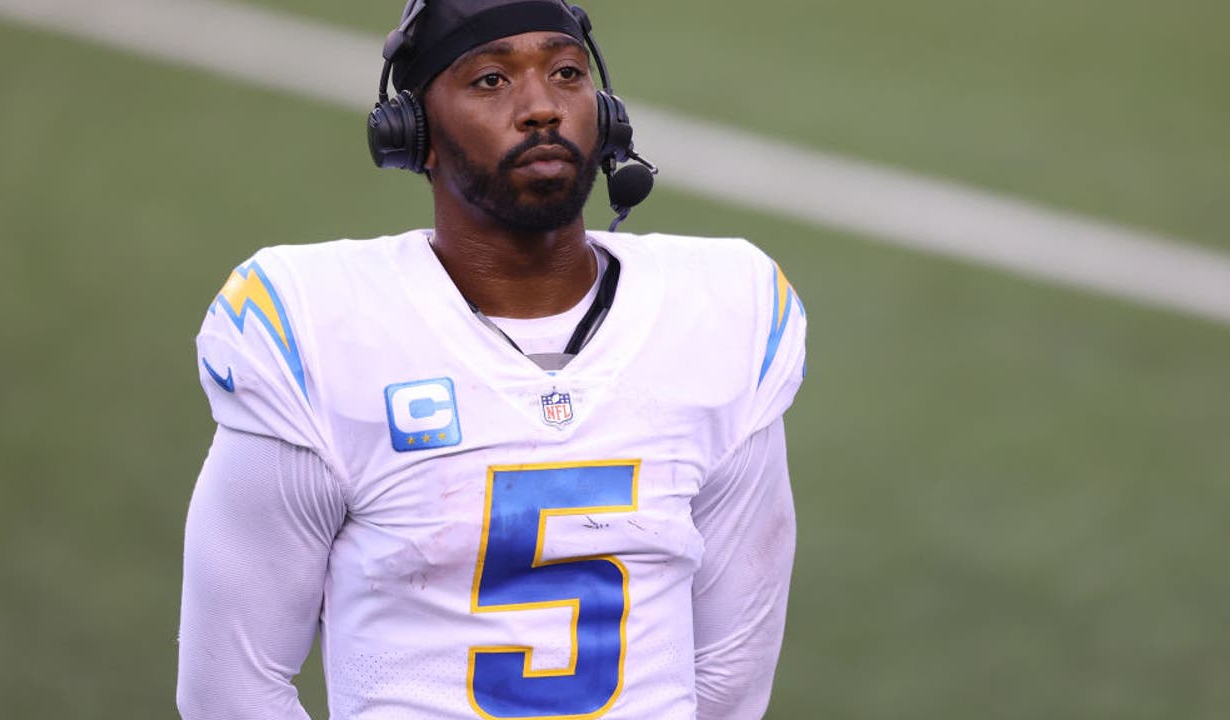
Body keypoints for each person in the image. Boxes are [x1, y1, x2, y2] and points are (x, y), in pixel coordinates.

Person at [176, 1, 807, 718]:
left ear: (606, 113)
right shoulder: (317, 329)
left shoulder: (724, 311)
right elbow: (232, 687)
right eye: (491, 80)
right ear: (415, 134)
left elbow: (730, 672)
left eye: (566, 73)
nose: (542, 107)